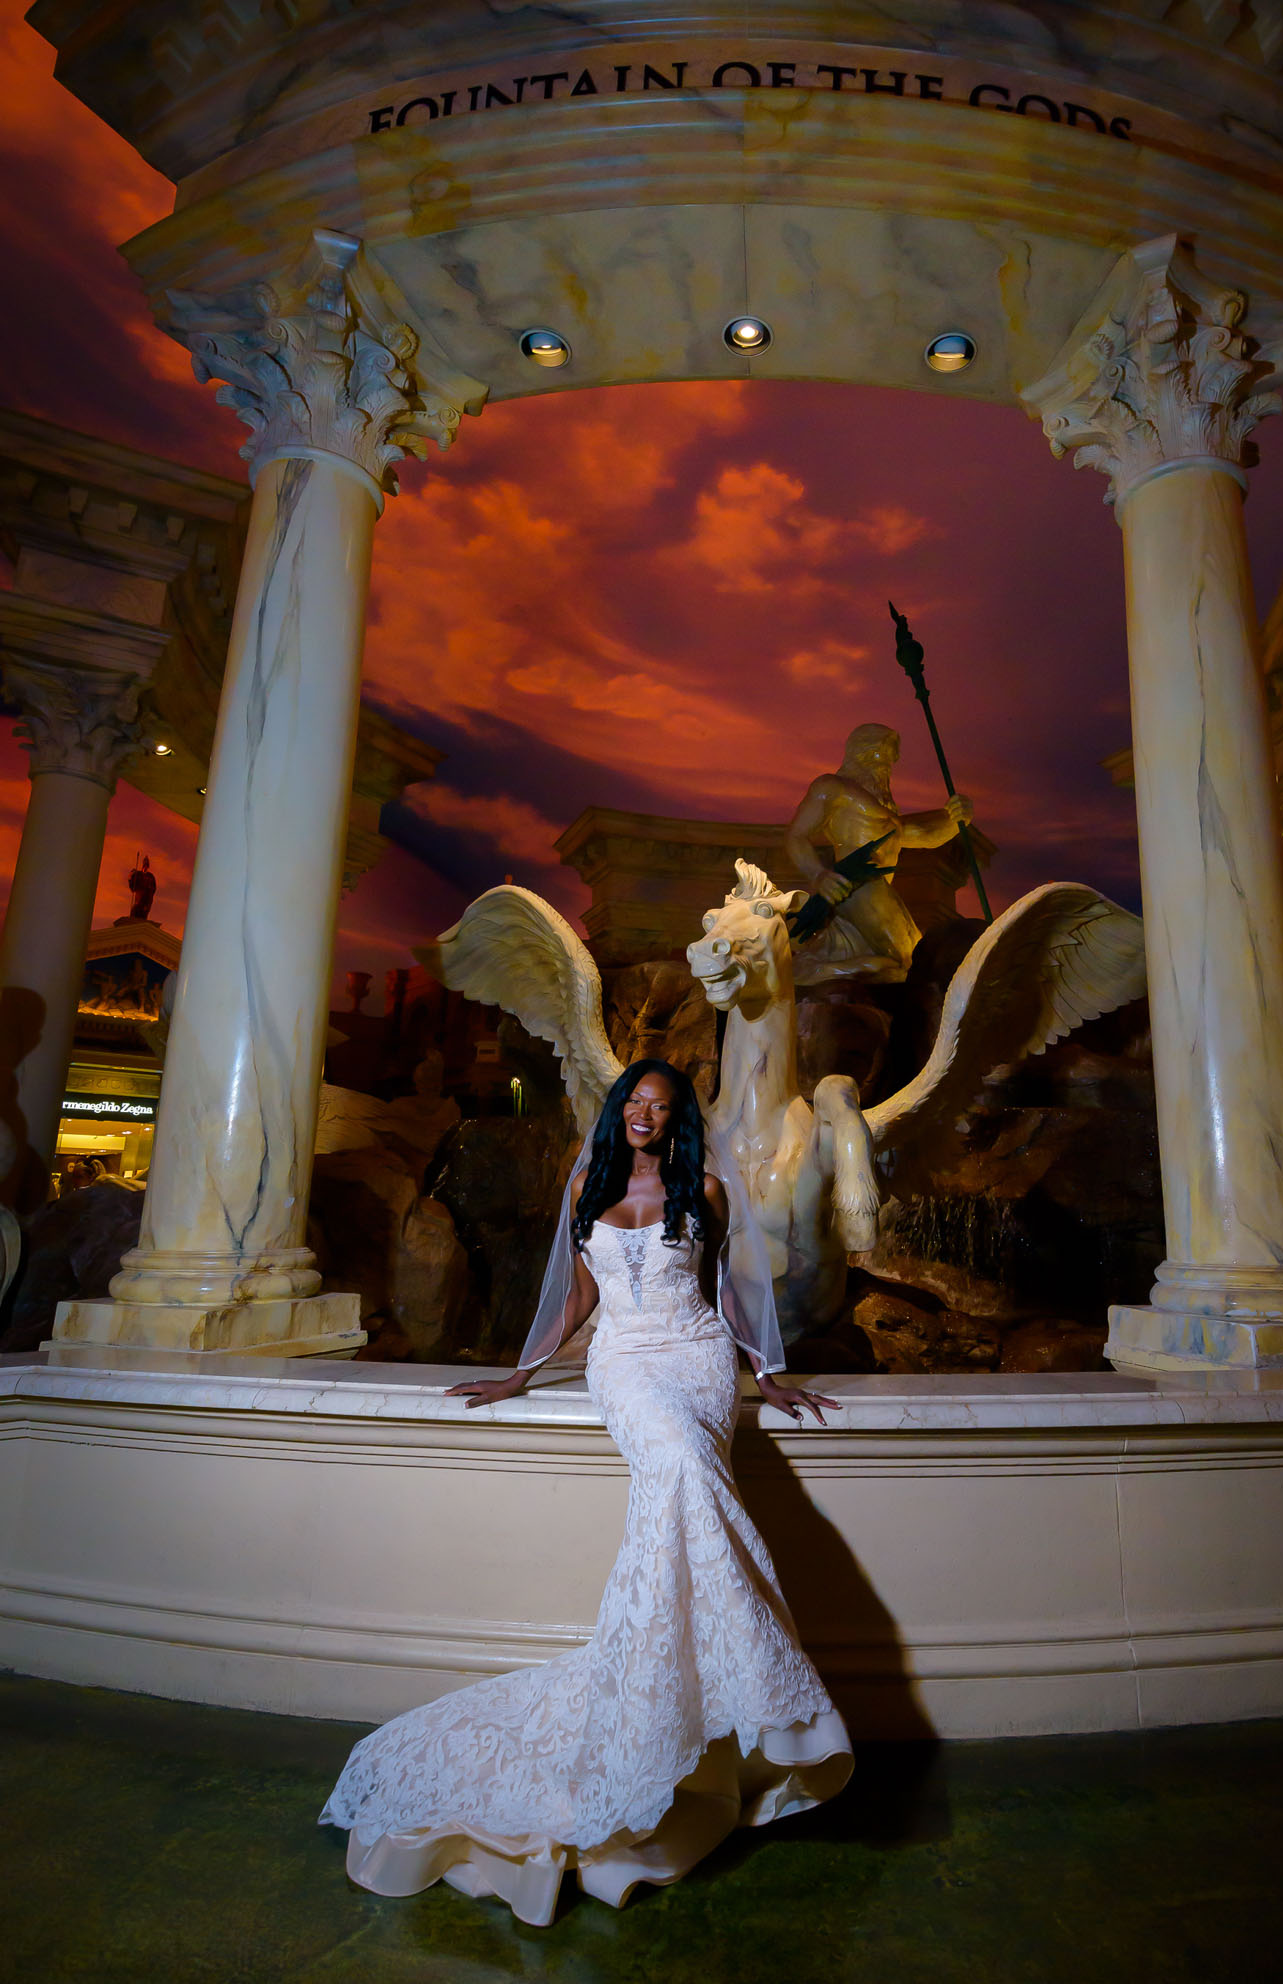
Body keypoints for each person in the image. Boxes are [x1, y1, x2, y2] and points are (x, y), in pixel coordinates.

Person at [320, 1058, 851, 1924]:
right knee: (678, 1471)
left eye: (660, 1106)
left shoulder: (706, 1190)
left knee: (687, 1474)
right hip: (626, 1362)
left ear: (678, 1120)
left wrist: (768, 1375)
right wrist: (518, 1374)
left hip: (695, 1356)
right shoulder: (586, 1188)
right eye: (634, 1102)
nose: (645, 1114)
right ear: (619, 1111)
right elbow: (577, 1299)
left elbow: (731, 1290)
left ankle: (704, 1687)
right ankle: (735, 1680)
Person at [784, 722, 973, 984]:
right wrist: (818, 875)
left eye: (891, 758)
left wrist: (957, 819)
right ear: (864, 751)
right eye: (884, 755)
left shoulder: (887, 812)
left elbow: (923, 836)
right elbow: (796, 835)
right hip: (857, 885)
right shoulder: (832, 787)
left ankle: (834, 970)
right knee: (914, 961)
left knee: (912, 960)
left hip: (879, 890)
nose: (889, 764)